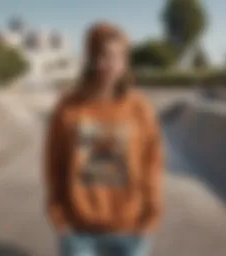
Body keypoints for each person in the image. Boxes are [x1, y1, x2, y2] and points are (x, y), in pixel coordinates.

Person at [44, 22, 164, 256]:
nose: (103, 64)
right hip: (79, 232)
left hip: (131, 230)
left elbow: (153, 164)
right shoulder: (69, 108)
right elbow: (54, 164)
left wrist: (151, 216)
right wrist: (58, 215)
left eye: (112, 56)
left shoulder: (140, 109)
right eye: (98, 55)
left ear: (124, 61)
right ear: (89, 59)